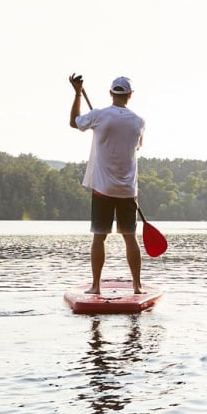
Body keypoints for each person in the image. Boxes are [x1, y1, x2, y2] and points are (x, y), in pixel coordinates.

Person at [68, 73, 146, 294]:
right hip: (127, 191)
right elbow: (137, 147)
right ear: (130, 95)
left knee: (99, 238)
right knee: (130, 238)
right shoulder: (139, 122)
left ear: (111, 93)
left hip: (103, 189)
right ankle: (137, 287)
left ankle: (95, 286)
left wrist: (77, 93)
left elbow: (74, 122)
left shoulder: (99, 116)